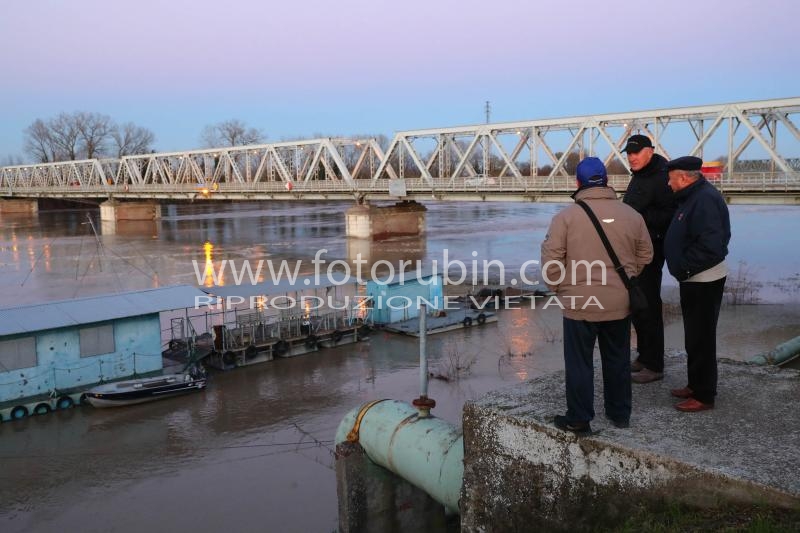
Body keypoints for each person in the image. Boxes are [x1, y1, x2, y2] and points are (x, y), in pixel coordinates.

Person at [541, 157, 653, 434]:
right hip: (619, 302)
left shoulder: (565, 218)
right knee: (617, 359)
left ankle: (579, 419)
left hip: (580, 303)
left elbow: (551, 262)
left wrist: (560, 289)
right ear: (606, 181)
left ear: (577, 183)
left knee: (579, 363)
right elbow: (646, 255)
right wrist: (626, 277)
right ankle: (620, 415)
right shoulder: (631, 214)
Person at [663, 156, 731, 412]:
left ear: (682, 177)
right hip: (693, 278)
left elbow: (713, 245)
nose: (668, 185)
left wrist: (684, 266)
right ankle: (695, 383)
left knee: (702, 337)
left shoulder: (704, 199)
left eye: (670, 180)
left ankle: (704, 395)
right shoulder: (693, 196)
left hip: (703, 279)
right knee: (693, 335)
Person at [621, 134, 677, 384]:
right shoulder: (641, 174)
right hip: (634, 250)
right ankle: (644, 356)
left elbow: (669, 214)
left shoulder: (662, 175)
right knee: (637, 304)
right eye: (628, 153)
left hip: (651, 250)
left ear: (649, 151)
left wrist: (637, 219)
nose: (631, 157)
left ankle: (654, 365)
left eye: (636, 152)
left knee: (649, 305)